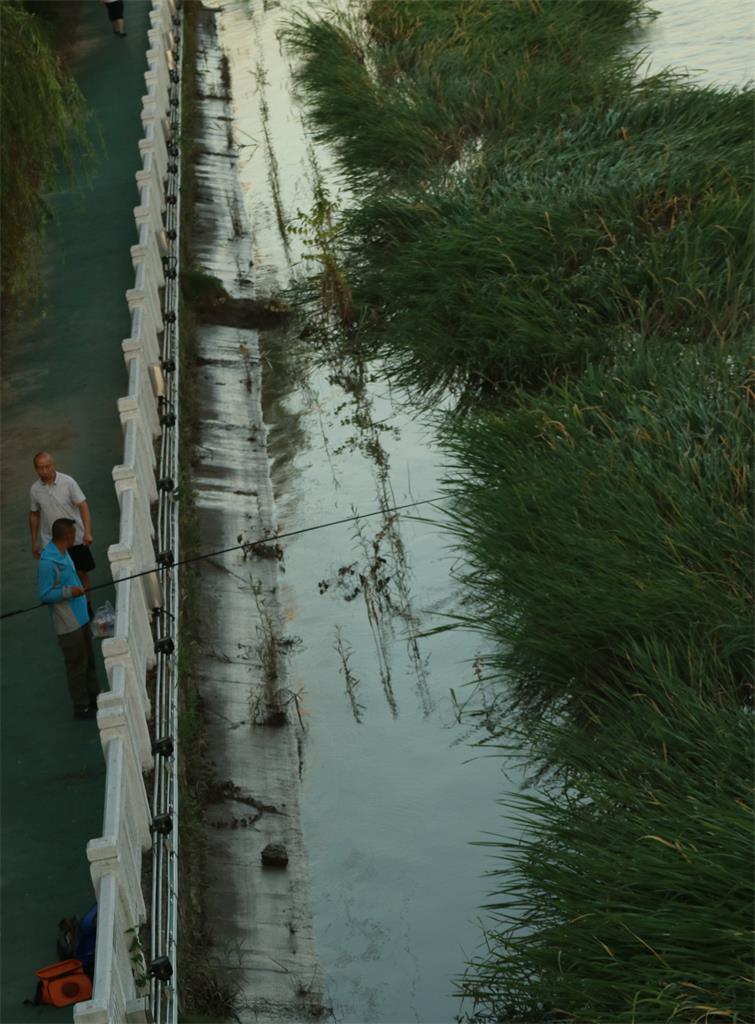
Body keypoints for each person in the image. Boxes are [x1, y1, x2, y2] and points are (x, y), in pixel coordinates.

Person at [38, 518, 101, 720]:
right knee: (76, 665)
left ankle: (95, 698)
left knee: (89, 661)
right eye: (74, 533)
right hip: (68, 624)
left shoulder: (65, 554)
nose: (77, 536)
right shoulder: (48, 563)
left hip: (81, 616)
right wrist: (68, 592)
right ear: (67, 536)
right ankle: (81, 707)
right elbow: (45, 594)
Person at [29, 452, 95, 594]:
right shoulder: (35, 490)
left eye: (47, 467)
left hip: (75, 538)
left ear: (53, 465)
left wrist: (87, 532)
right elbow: (34, 514)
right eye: (40, 468)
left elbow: (83, 505)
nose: (44, 471)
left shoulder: (68, 482)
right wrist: (34, 541)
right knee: (60, 577)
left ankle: (87, 607)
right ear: (35, 469)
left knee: (81, 573)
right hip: (51, 542)